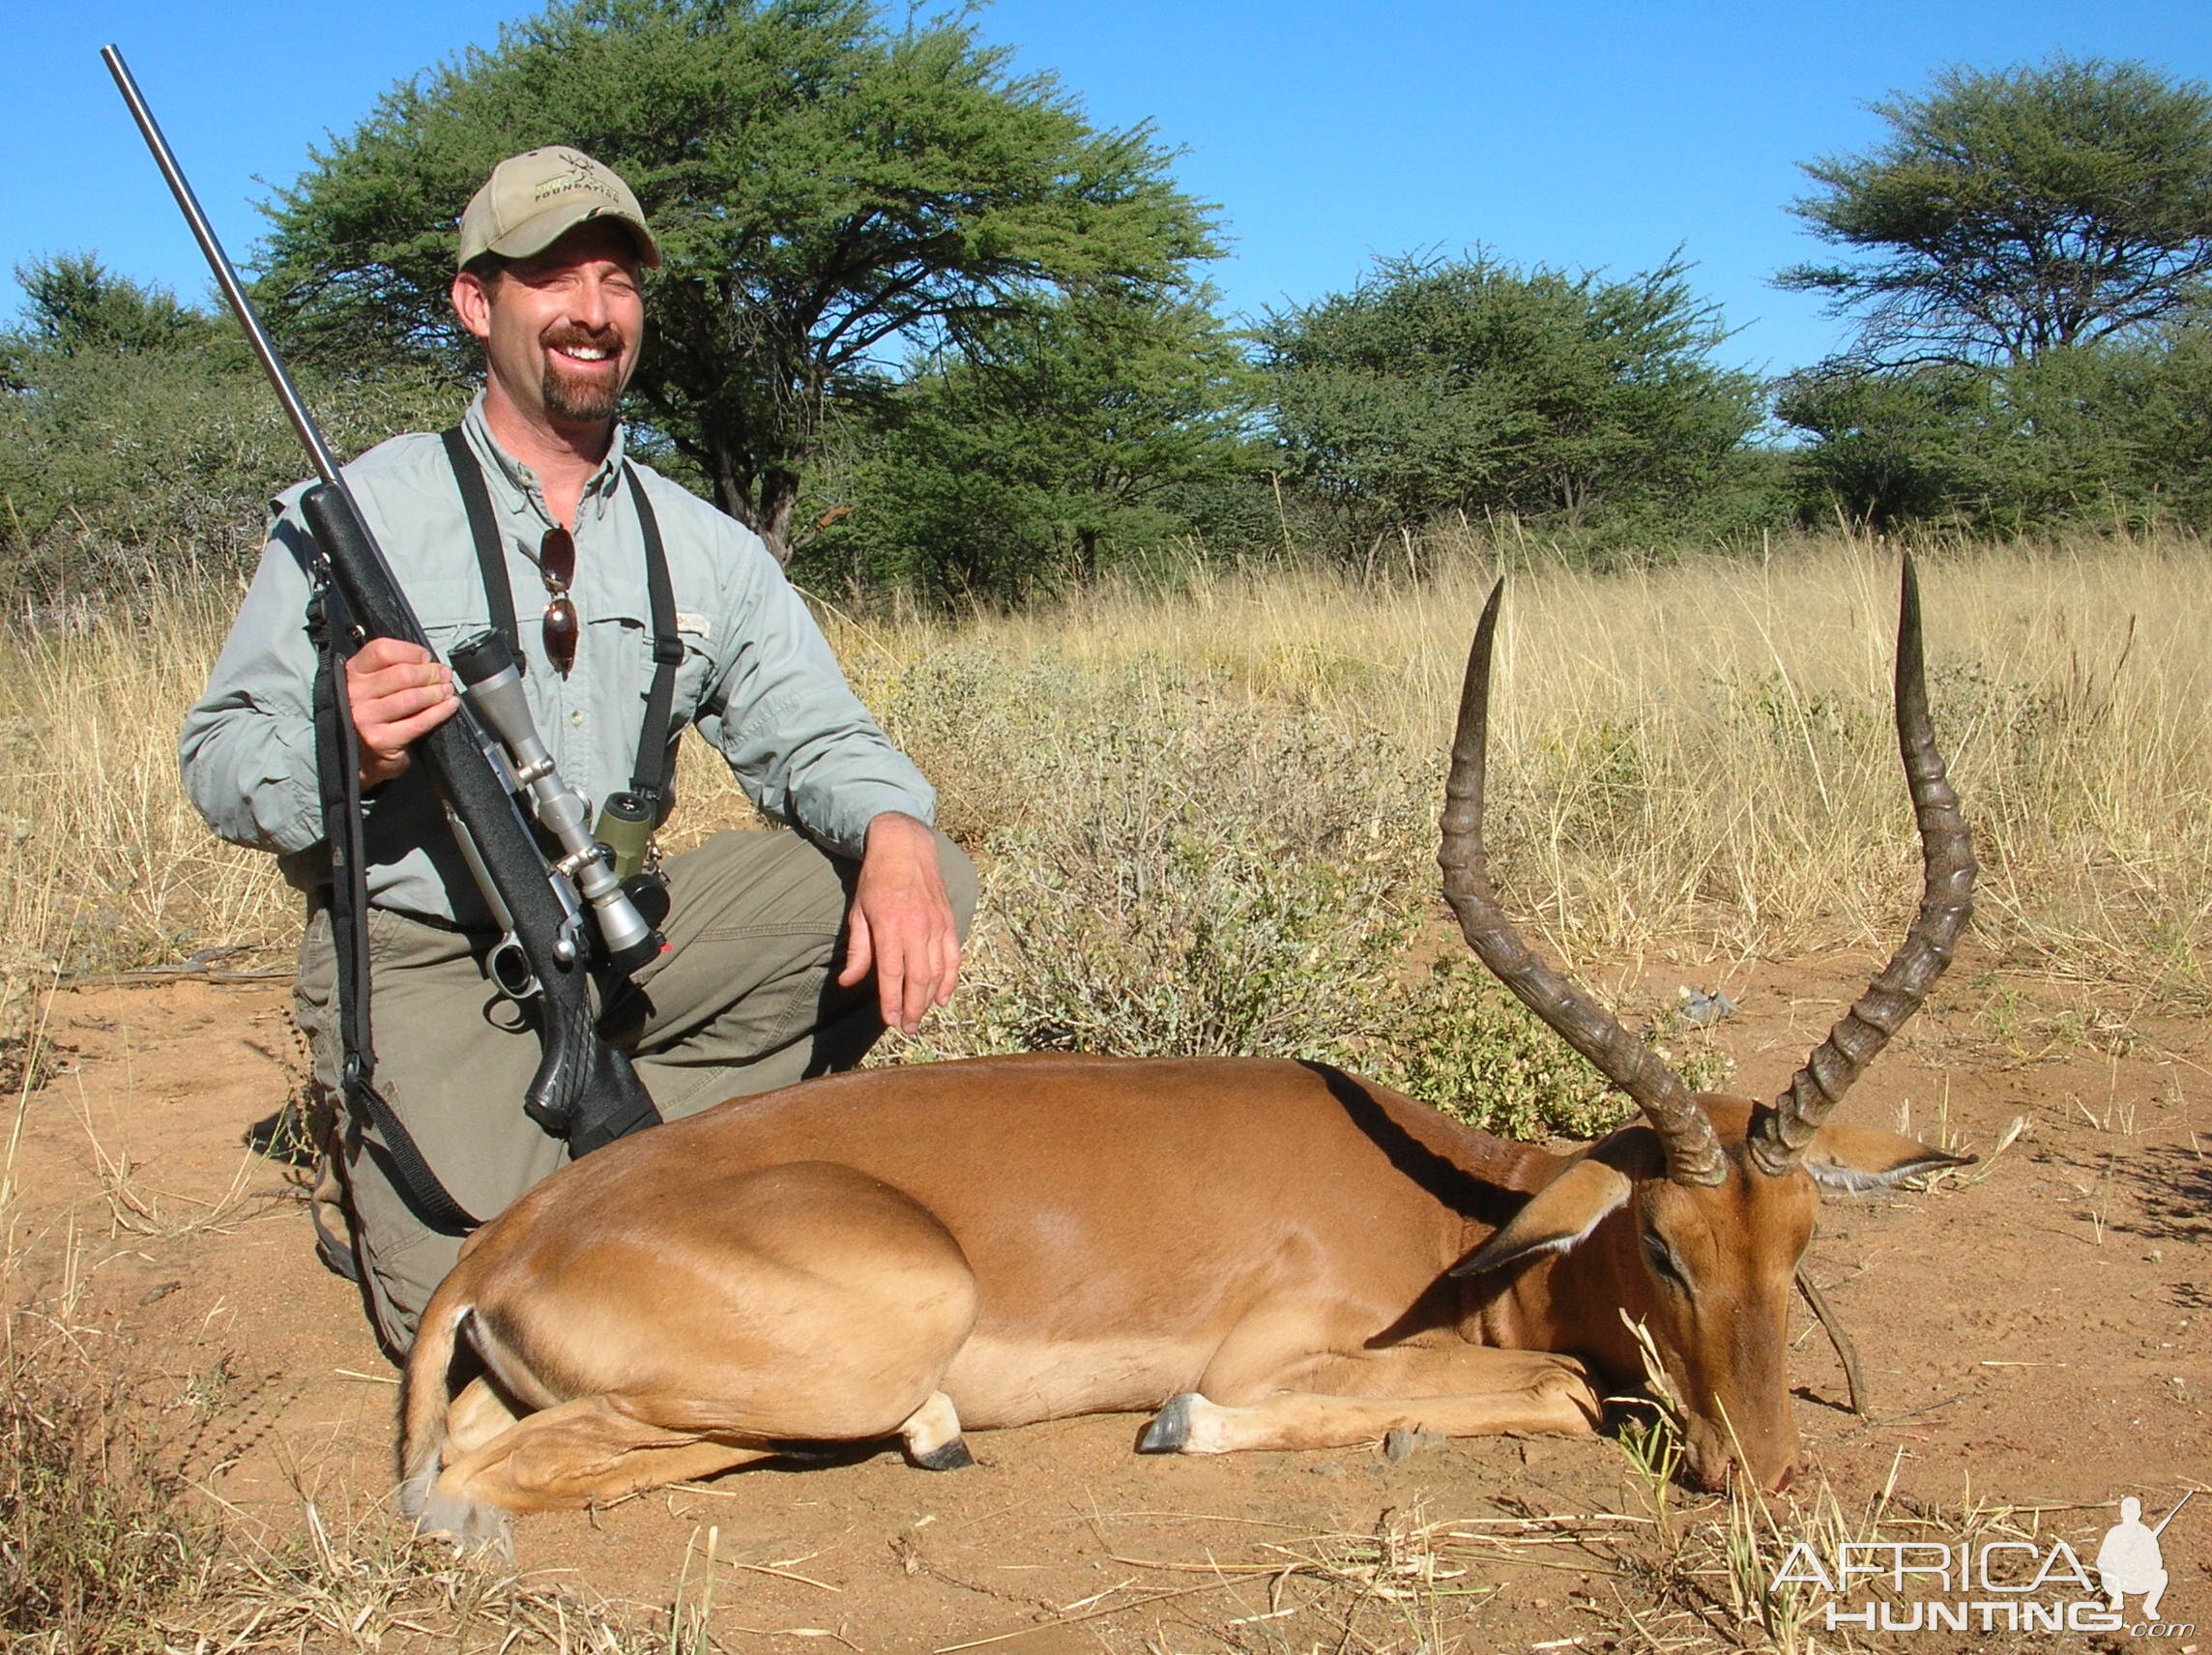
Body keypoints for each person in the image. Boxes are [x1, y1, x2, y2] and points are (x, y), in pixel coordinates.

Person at [181, 147, 975, 1355]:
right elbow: (222, 760)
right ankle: (548, 1165)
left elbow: (817, 732)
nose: (591, 311)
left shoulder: (701, 543)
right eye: (551, 276)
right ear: (475, 302)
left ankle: (647, 1159)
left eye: (615, 279)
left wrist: (896, 827)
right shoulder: (358, 514)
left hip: (615, 935)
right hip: (425, 954)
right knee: (494, 1327)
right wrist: (342, 747)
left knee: (915, 869)